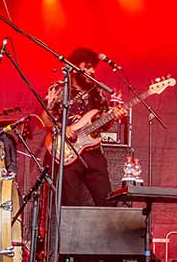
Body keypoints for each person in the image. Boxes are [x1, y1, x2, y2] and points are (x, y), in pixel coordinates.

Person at [42, 47, 125, 206]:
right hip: (68, 151)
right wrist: (61, 128)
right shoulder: (59, 88)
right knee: (70, 204)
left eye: (93, 67)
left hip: (93, 152)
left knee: (107, 202)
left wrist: (114, 118)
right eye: (87, 66)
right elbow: (45, 117)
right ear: (74, 67)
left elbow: (103, 126)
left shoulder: (97, 91)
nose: (92, 70)